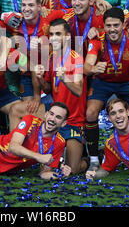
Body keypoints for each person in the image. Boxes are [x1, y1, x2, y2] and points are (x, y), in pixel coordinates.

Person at [84, 7, 129, 170]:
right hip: (103, 82)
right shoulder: (97, 39)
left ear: (124, 25)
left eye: (116, 25)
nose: (112, 29)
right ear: (104, 26)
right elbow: (86, 66)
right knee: (90, 113)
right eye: (108, 26)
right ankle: (93, 158)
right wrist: (92, 69)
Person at [33, 18, 88, 174]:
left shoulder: (76, 58)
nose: (53, 38)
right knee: (17, 110)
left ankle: (86, 159)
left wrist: (65, 78)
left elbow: (78, 90)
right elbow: (49, 89)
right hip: (56, 120)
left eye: (58, 34)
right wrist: (39, 78)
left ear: (68, 37)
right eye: (51, 34)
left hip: (74, 122)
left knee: (72, 170)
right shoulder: (52, 57)